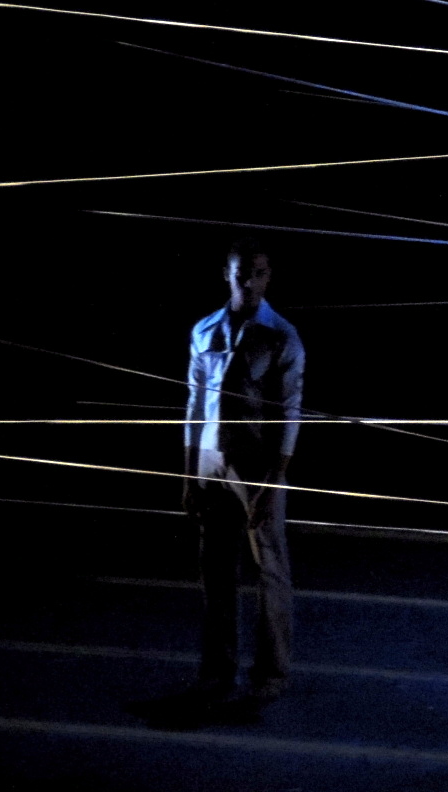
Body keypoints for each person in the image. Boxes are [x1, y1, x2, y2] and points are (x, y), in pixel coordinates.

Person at [182, 237, 304, 707]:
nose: (249, 282)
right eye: (241, 274)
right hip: (211, 460)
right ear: (227, 275)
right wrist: (189, 475)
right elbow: (195, 404)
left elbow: (289, 412)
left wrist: (273, 481)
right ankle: (217, 670)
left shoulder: (281, 336)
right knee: (215, 569)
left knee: (269, 569)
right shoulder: (204, 330)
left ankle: (272, 672)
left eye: (258, 273)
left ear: (268, 277)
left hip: (256, 464)